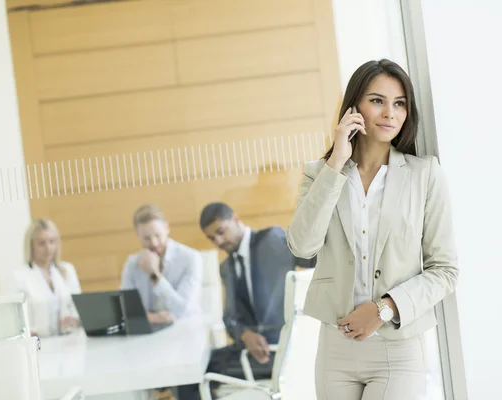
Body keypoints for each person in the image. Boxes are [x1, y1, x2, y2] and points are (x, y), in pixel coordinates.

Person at [286, 59, 459, 399]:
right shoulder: (320, 174)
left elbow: (445, 270)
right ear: (354, 107)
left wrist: (383, 309)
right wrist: (336, 162)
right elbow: (302, 246)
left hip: (397, 347)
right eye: (377, 100)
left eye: (399, 104)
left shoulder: (425, 175)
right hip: (336, 350)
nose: (389, 113)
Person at [177, 202, 315, 400]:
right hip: (248, 351)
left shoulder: (273, 241)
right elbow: (229, 318)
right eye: (211, 238)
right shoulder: (226, 267)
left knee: (190, 380)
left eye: (221, 231)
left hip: (279, 350)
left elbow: (314, 260)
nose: (218, 241)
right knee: (188, 373)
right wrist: (243, 334)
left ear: (235, 219)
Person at [120, 204, 202, 325]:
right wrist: (153, 318)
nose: (154, 243)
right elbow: (127, 311)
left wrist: (154, 275)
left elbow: (183, 310)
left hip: (185, 329)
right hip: (148, 333)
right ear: (137, 235)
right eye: (146, 238)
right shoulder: (132, 264)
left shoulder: (190, 258)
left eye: (158, 235)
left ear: (167, 229)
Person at [14, 219, 81, 337]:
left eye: (52, 242)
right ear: (31, 246)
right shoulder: (20, 277)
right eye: (41, 243)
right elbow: (16, 321)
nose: (48, 248)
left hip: (69, 342)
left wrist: (76, 320)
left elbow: (79, 309)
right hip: (39, 345)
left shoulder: (67, 270)